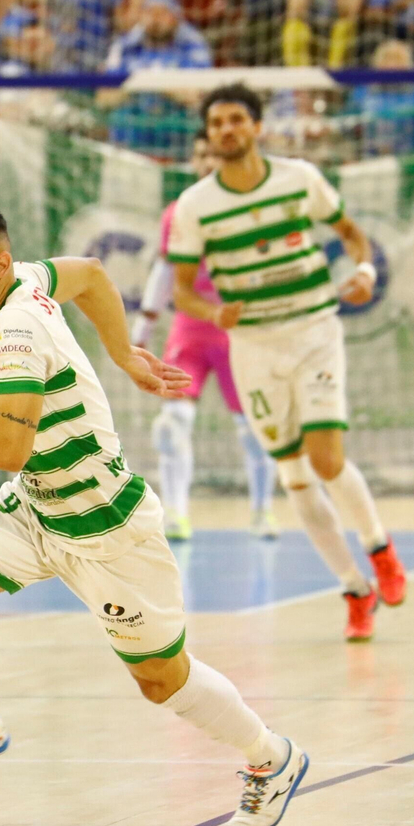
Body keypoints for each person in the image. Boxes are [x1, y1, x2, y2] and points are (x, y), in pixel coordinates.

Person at [0, 200, 310, 826]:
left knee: (160, 681)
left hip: (105, 530)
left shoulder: (13, 335)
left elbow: (8, 446)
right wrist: (124, 354)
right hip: (36, 507)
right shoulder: (28, 280)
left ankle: (270, 757)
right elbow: (89, 273)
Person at [167, 83, 408, 642]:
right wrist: (213, 311)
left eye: (236, 119)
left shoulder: (299, 178)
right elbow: (183, 292)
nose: (227, 129)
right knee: (294, 476)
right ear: (208, 135)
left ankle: (380, 548)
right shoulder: (195, 206)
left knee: (326, 460)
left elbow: (352, 235)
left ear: (256, 126)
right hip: (252, 346)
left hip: (313, 332)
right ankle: (354, 589)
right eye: (217, 122)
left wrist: (365, 273)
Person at [133, 132, 279, 540]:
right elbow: (164, 273)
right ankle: (176, 514)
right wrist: (142, 328)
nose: (206, 163)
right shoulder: (177, 214)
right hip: (190, 333)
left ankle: (263, 510)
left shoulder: (253, 211)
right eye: (199, 156)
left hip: (240, 334)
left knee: (255, 430)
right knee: (171, 424)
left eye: (213, 155)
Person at [102, 0, 214, 156]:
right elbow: (104, 98)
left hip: (176, 137)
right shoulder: (125, 46)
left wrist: (157, 83)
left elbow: (197, 97)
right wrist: (140, 83)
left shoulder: (193, 45)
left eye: (162, 13)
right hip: (132, 135)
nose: (155, 19)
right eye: (150, 12)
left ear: (175, 17)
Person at [350, 40, 414, 157]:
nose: (392, 64)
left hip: (409, 162)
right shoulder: (363, 90)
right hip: (371, 163)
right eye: (387, 58)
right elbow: (344, 124)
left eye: (398, 59)